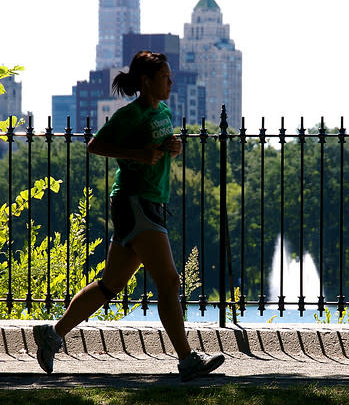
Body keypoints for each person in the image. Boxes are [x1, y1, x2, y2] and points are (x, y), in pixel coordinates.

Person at [33, 50, 224, 382]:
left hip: (149, 202)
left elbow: (159, 145)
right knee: (168, 282)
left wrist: (171, 147)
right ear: (147, 81)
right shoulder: (130, 114)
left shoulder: (163, 110)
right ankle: (187, 359)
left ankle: (53, 334)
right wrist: (139, 153)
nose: (171, 81)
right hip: (135, 202)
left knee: (111, 284)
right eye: (165, 76)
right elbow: (95, 146)